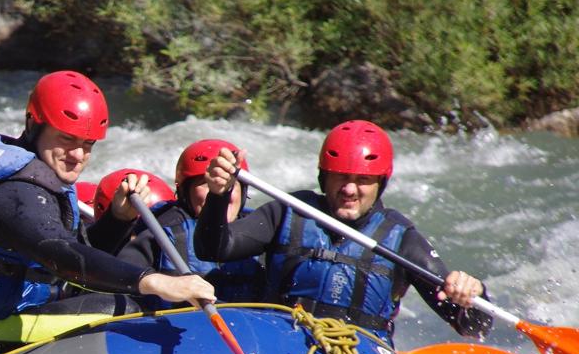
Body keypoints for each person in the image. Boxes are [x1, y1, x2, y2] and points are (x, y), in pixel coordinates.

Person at [0, 70, 215, 354]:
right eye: (67, 139)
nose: (78, 155)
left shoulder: (28, 167)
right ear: (34, 125)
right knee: (126, 309)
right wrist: (158, 281)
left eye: (88, 144)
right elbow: (60, 255)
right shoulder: (12, 190)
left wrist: (117, 220)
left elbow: (71, 259)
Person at [194, 120, 491, 342]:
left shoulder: (402, 239)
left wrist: (473, 294)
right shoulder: (288, 210)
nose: (349, 189)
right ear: (324, 178)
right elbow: (213, 248)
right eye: (340, 178)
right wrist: (219, 196)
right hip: (282, 346)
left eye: (362, 179)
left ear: (380, 184)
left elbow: (473, 325)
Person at [117, 139, 265, 304]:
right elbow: (120, 277)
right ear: (184, 192)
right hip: (176, 326)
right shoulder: (162, 230)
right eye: (207, 184)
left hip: (248, 326)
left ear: (244, 191)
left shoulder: (262, 230)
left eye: (231, 185)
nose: (220, 192)